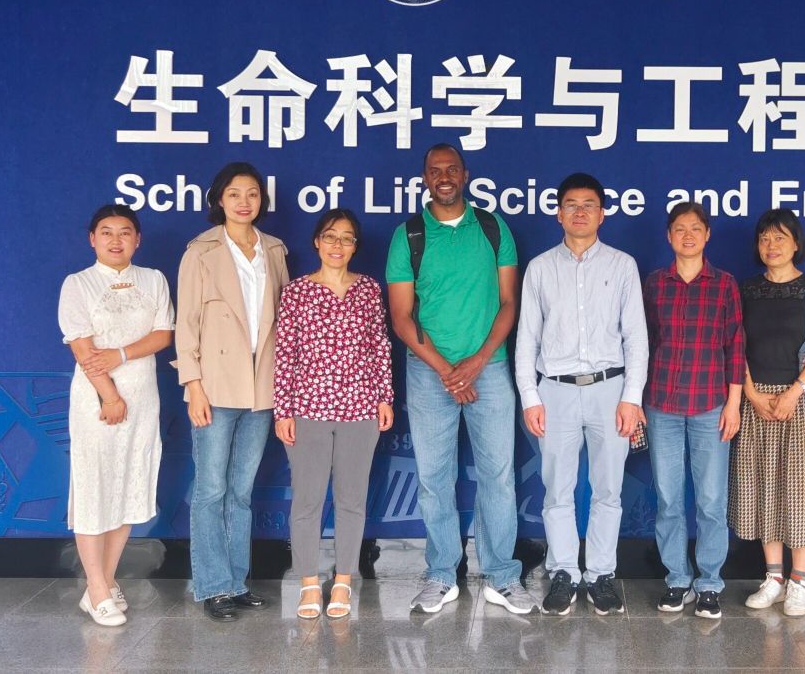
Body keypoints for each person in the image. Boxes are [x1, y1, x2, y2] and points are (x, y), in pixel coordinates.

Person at [385, 143, 535, 616]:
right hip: (430, 374)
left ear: (465, 175)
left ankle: (502, 576)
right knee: (434, 478)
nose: (444, 176)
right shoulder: (408, 235)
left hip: (488, 370)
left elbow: (509, 303)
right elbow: (401, 317)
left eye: (452, 169)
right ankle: (441, 575)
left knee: (498, 476)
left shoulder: (492, 227)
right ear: (425, 178)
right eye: (435, 170)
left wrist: (478, 360)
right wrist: (448, 370)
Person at [517, 172, 648, 616]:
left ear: (602, 213)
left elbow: (636, 337)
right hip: (554, 391)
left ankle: (601, 574)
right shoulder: (540, 268)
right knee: (557, 488)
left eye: (588, 204)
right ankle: (563, 573)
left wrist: (631, 396)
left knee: (608, 488)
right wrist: (530, 397)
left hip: (610, 390)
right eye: (571, 204)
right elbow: (526, 338)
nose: (579, 212)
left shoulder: (622, 265)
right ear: (558, 213)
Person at [174, 162, 289, 620]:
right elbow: (186, 324)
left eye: (253, 193)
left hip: (261, 389)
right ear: (219, 199)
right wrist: (193, 385)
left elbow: (283, 322)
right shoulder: (200, 251)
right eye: (235, 193)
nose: (244, 202)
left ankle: (236, 582)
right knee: (211, 489)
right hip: (216, 387)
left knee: (241, 491)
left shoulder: (273, 250)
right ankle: (213, 585)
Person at [274, 209, 394, 620]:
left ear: (355, 246)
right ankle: (309, 583)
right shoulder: (296, 292)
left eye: (346, 238)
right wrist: (283, 409)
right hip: (308, 407)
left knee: (351, 500)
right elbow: (285, 354)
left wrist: (384, 397)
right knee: (307, 500)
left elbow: (380, 346)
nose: (337, 245)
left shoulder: (368, 289)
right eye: (330, 236)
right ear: (316, 242)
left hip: (360, 408)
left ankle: (343, 580)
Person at [59, 204, 173, 627]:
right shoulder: (78, 284)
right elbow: (83, 348)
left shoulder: (153, 279)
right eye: (106, 232)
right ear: (92, 239)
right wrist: (108, 396)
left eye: (125, 232)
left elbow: (163, 334)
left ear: (137, 239)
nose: (115, 239)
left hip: (142, 396)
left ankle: (103, 583)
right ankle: (96, 586)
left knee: (128, 484)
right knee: (94, 487)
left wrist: (122, 354)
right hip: (96, 400)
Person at [641, 201, 744, 620]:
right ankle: (677, 579)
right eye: (680, 229)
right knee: (668, 498)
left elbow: (735, 345)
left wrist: (733, 403)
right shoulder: (654, 284)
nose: (688, 235)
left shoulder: (724, 284)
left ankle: (709, 583)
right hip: (661, 405)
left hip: (710, 405)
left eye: (695, 228)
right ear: (669, 236)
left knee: (711, 500)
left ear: (707, 235)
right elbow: (641, 344)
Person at [732, 208, 805, 618]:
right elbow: (735, 347)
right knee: (763, 489)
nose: (771, 245)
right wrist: (751, 393)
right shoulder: (745, 290)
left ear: (796, 243)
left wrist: (796, 391)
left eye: (779, 237)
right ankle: (773, 577)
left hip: (801, 403)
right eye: (764, 238)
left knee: (801, 492)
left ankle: (799, 582)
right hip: (755, 400)